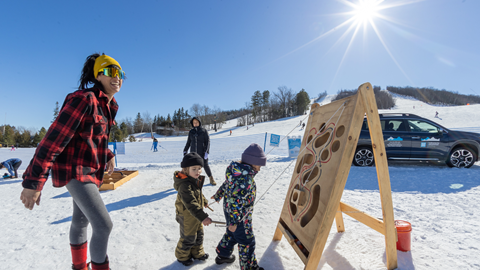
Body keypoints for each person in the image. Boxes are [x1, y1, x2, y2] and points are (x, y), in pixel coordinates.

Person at [20, 53, 125, 270]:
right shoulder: (83, 99)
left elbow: (92, 137)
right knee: (104, 225)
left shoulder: (108, 106)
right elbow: (52, 142)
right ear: (98, 75)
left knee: (80, 221)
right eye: (112, 72)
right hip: (75, 171)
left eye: (121, 74)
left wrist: (108, 155)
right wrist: (33, 183)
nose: (118, 78)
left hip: (91, 171)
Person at [212, 143, 266, 270]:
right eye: (259, 165)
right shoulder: (245, 178)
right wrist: (236, 221)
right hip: (239, 215)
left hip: (230, 211)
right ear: (252, 162)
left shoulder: (236, 172)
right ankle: (249, 267)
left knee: (232, 233)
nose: (259, 169)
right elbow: (236, 201)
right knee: (247, 241)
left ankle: (223, 254)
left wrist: (219, 195)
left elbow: (227, 183)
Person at [174, 152, 213, 266]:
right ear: (186, 169)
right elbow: (190, 202)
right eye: (194, 169)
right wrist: (203, 217)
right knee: (188, 237)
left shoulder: (193, 179)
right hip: (186, 215)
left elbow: (198, 194)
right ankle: (182, 256)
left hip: (196, 214)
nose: (198, 171)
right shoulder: (184, 185)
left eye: (200, 168)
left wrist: (204, 201)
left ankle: (197, 252)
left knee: (199, 235)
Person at [183, 117, 216, 185]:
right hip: (193, 153)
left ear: (199, 122)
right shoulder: (191, 132)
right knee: (193, 167)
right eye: (194, 123)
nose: (195, 124)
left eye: (196, 122)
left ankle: (211, 178)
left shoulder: (204, 131)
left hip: (202, 153)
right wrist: (185, 150)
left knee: (205, 165)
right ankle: (192, 180)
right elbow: (188, 142)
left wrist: (206, 152)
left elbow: (207, 142)